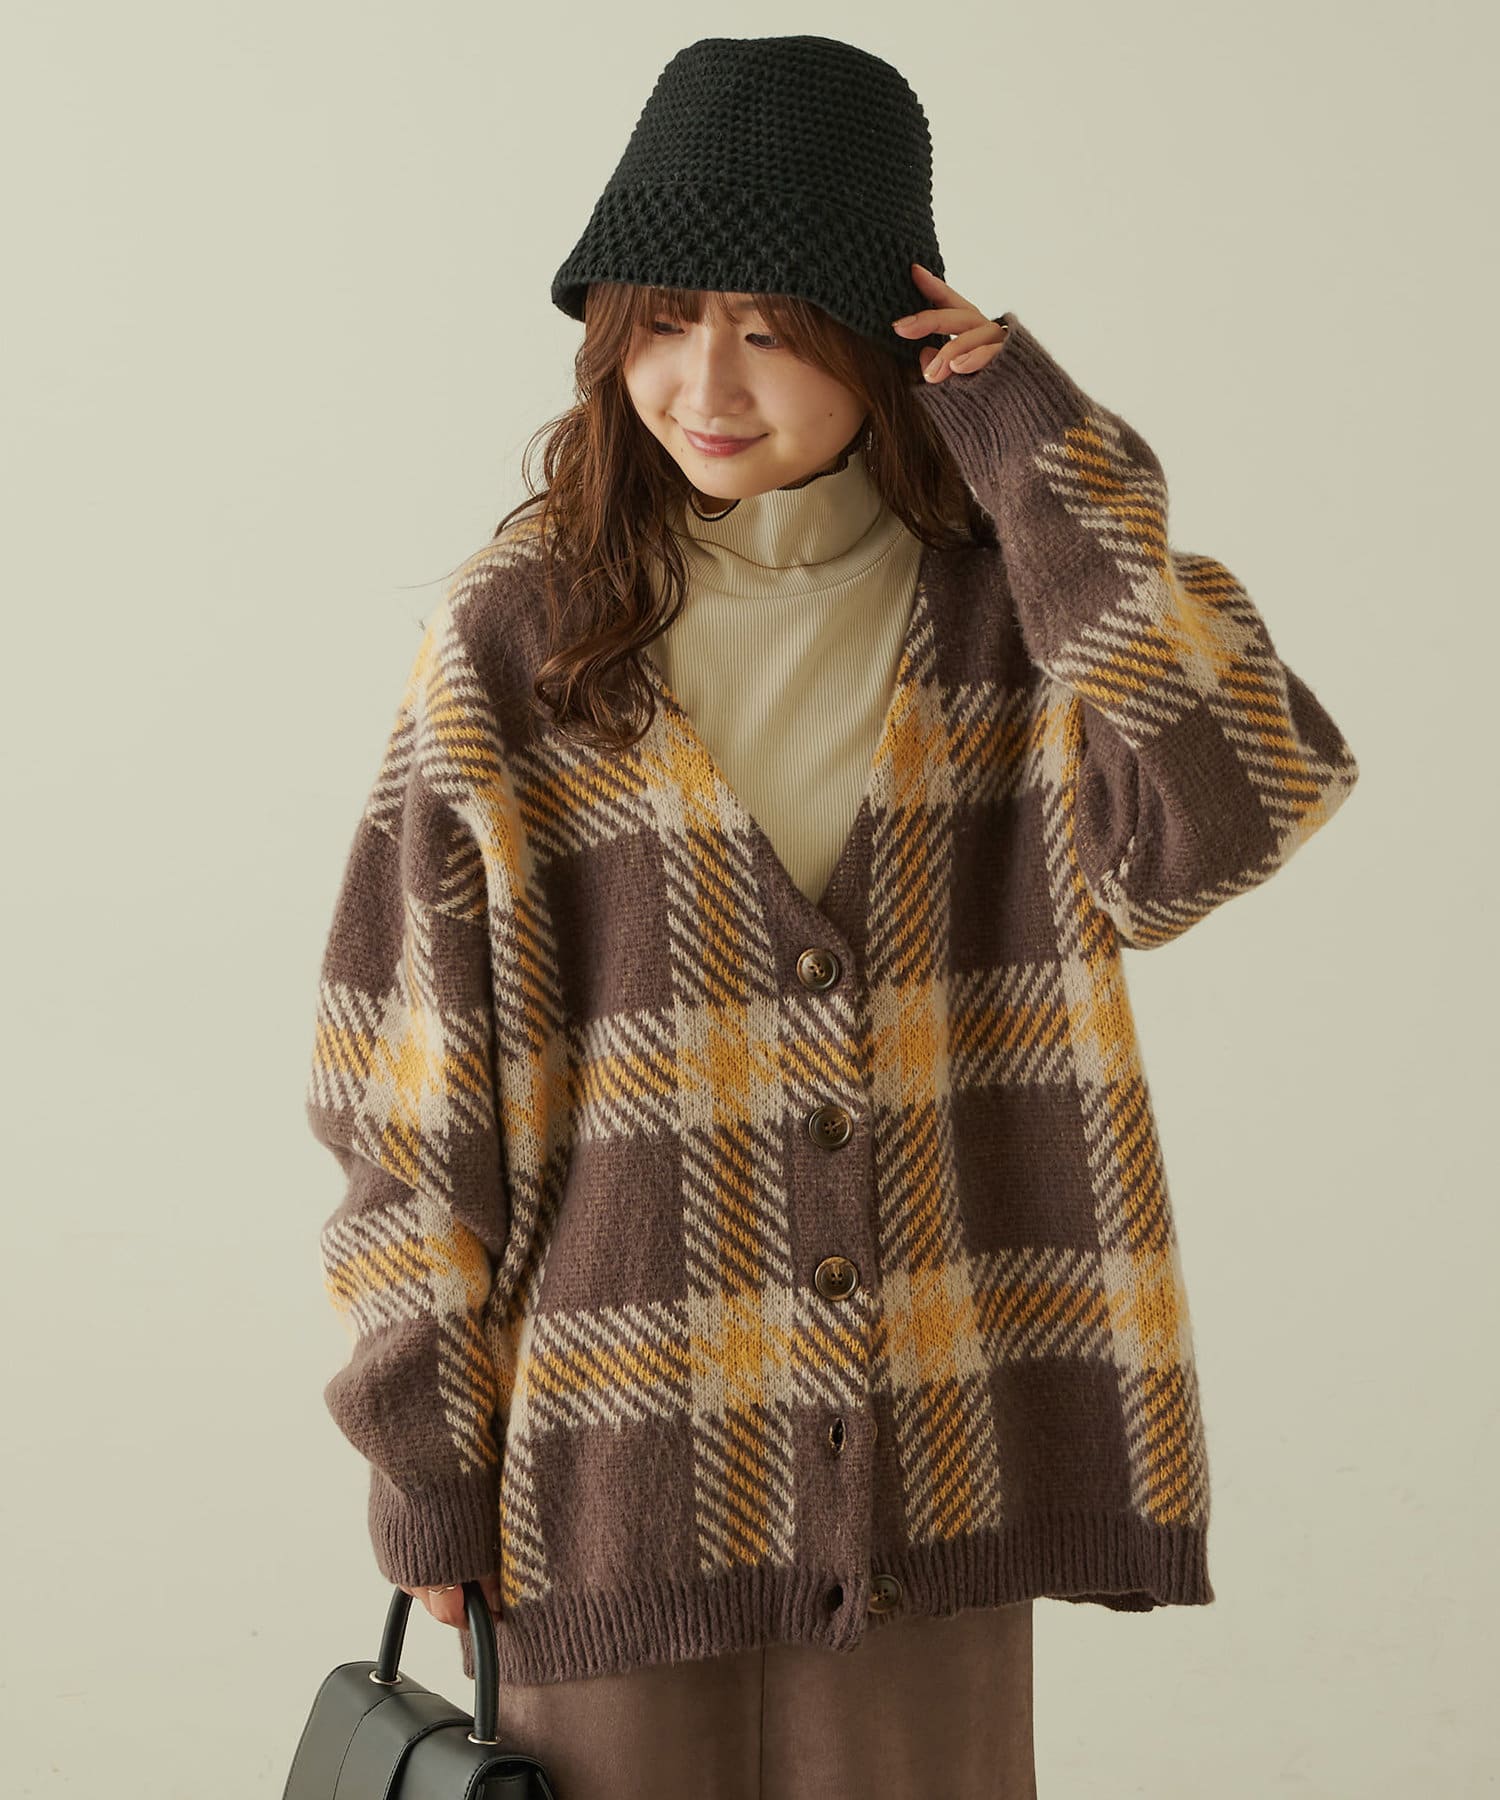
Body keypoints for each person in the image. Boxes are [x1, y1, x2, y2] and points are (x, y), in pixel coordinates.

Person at [303, 35, 1360, 1800]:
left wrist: (1041, 448)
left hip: (950, 1445)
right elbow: (404, 1096)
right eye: (662, 321)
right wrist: (424, 1461)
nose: (704, 383)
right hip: (613, 1470)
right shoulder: (524, 640)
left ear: (887, 334)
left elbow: (1228, 813)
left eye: (774, 329)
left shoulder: (1018, 612)